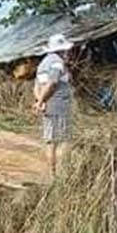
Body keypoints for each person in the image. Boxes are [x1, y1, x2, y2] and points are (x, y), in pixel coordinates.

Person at [33, 33, 74, 177]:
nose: (67, 53)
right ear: (61, 50)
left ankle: (52, 174)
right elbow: (53, 82)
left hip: (47, 106)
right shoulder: (57, 62)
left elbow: (37, 87)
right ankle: (63, 174)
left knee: (50, 141)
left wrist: (40, 101)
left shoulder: (43, 64)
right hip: (59, 105)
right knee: (64, 140)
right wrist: (42, 101)